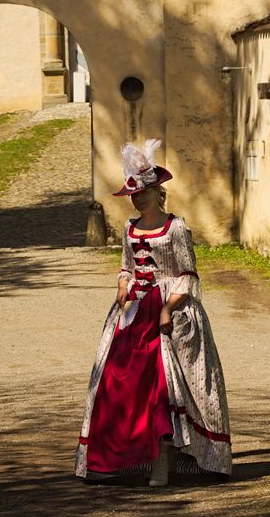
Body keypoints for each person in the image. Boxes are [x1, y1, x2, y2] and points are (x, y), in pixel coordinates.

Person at [75, 139, 232, 487]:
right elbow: (127, 268)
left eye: (144, 191)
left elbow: (188, 274)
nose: (138, 198)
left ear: (158, 192)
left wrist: (168, 309)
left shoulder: (176, 228)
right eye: (134, 193)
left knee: (167, 385)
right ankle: (118, 457)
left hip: (169, 309)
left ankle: (166, 458)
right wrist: (122, 286)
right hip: (133, 311)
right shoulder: (130, 229)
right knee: (117, 379)